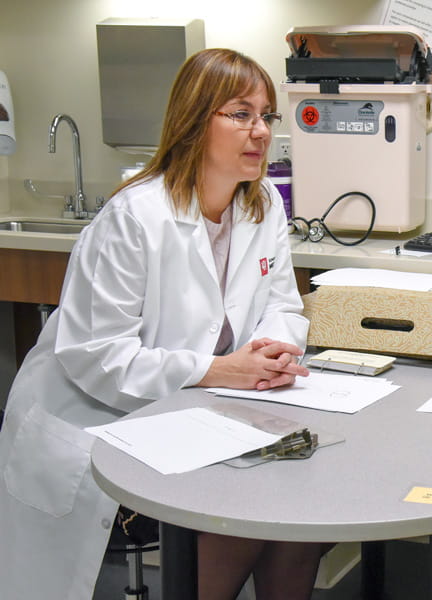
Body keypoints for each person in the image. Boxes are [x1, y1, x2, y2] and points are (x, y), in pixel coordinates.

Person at [0, 49, 330, 600]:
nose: (261, 132)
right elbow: (97, 356)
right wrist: (220, 369)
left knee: (297, 515)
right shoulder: (135, 218)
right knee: (237, 518)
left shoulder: (263, 202)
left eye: (266, 116)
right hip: (101, 416)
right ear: (196, 120)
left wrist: (271, 352)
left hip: (201, 411)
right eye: (241, 114)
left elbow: (284, 304)